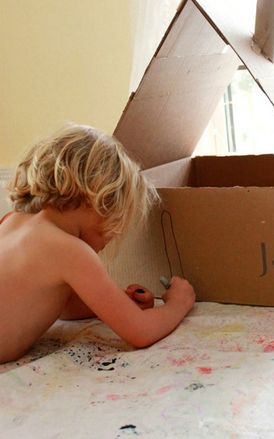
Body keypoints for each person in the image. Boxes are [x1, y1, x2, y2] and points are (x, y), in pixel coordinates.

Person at [0, 124, 195, 363]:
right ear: (101, 201)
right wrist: (178, 303)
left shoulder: (11, 222)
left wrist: (120, 305)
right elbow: (141, 332)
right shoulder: (70, 250)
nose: (112, 237)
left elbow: (60, 307)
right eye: (117, 222)